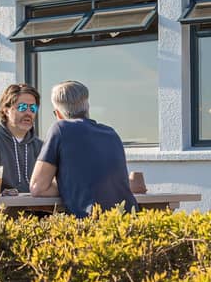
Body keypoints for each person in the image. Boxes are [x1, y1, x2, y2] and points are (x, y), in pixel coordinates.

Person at [30, 80, 138, 218]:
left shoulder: (61, 129)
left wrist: (67, 185)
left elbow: (38, 187)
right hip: (129, 219)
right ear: (87, 107)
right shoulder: (111, 133)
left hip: (93, 224)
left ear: (58, 114)